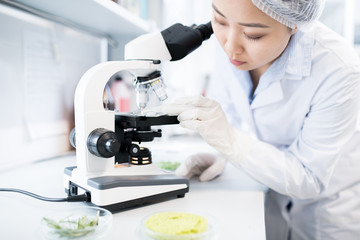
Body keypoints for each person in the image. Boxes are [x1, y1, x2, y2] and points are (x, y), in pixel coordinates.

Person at [157, 0, 360, 239]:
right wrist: (223, 155)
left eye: (253, 35)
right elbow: (232, 119)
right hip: (269, 191)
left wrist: (231, 142)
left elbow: (309, 178)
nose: (230, 48)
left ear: (293, 25)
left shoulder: (339, 68)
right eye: (219, 21)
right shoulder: (232, 43)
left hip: (325, 211)